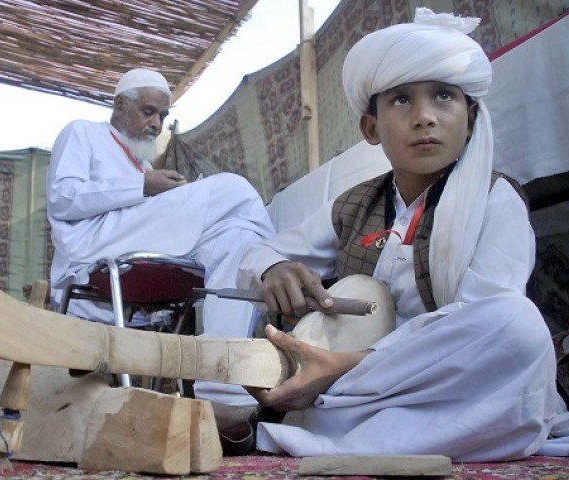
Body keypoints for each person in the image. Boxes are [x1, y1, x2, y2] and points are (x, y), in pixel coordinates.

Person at [237, 8, 569, 461]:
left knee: (517, 323)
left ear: (470, 119)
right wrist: (274, 267)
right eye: (401, 101)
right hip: (358, 392)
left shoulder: (495, 198)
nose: (425, 117)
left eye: (443, 97)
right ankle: (356, 435)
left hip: (450, 384)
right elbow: (259, 251)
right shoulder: (354, 205)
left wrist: (344, 367)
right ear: (371, 128)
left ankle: (325, 438)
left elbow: (485, 319)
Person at [47, 68, 275, 402]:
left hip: (132, 253)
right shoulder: (83, 133)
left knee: (235, 240)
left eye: (163, 116)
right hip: (91, 249)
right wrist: (143, 186)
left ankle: (222, 391)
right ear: (121, 105)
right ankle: (275, 271)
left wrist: (156, 187)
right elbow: (62, 198)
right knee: (232, 188)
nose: (156, 124)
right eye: (148, 111)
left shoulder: (142, 166)